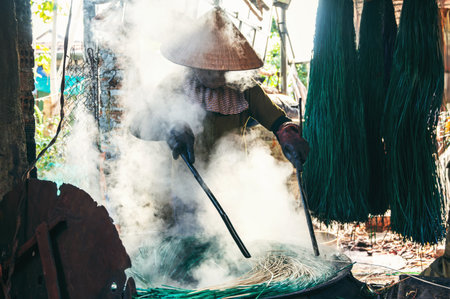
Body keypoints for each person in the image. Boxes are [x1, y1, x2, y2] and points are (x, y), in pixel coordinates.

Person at [160, 7, 310, 171]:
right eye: (211, 68)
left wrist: (287, 132)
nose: (219, 75)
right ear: (194, 62)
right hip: (187, 183)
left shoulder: (246, 88)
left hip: (234, 180)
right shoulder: (175, 85)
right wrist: (170, 125)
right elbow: (140, 125)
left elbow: (277, 120)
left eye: (224, 67)